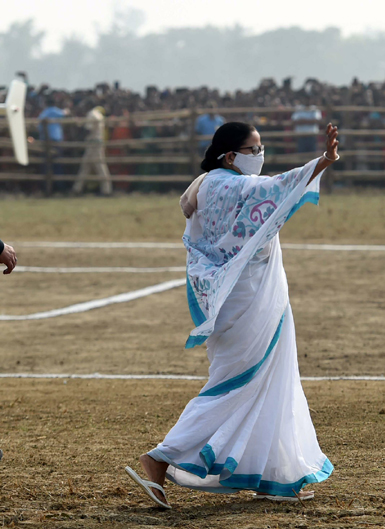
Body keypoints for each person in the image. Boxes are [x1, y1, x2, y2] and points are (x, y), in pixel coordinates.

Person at [125, 121, 339, 508]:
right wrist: (323, 161)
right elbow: (279, 186)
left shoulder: (205, 183)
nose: (260, 156)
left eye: (261, 148)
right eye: (254, 149)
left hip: (234, 295)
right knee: (235, 384)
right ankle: (159, 457)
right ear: (230, 155)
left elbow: (192, 205)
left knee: (267, 380)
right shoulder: (233, 185)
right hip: (248, 297)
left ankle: (271, 475)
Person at [73, 106, 112, 195]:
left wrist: (79, 139)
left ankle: (107, 190)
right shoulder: (98, 114)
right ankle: (77, 189)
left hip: (93, 143)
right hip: (96, 142)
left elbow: (88, 129)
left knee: (99, 166)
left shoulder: (91, 114)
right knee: (86, 166)